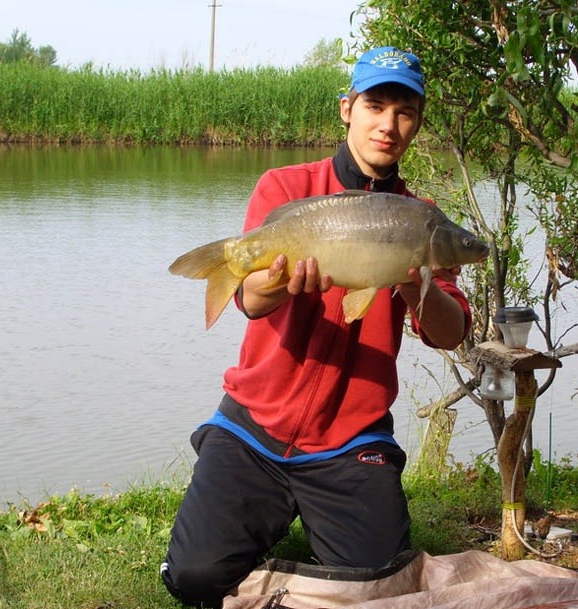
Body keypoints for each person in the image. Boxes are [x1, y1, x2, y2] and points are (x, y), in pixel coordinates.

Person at [160, 46, 473, 608]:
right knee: (194, 577)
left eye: (404, 112)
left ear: (418, 122)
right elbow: (252, 302)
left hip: (352, 436)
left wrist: (409, 281)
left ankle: (294, 546)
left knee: (378, 581)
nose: (388, 124)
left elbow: (450, 333)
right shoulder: (285, 188)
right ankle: (257, 523)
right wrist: (277, 282)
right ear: (347, 109)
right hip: (254, 424)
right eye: (375, 105)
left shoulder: (421, 218)